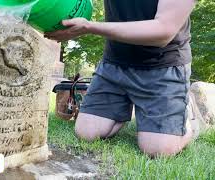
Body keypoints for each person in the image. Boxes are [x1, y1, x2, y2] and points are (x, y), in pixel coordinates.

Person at [45, 0, 201, 157]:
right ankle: (124, 107)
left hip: (162, 66)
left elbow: (163, 31)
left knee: (158, 150)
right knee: (86, 133)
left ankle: (185, 118)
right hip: (115, 63)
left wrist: (88, 26)